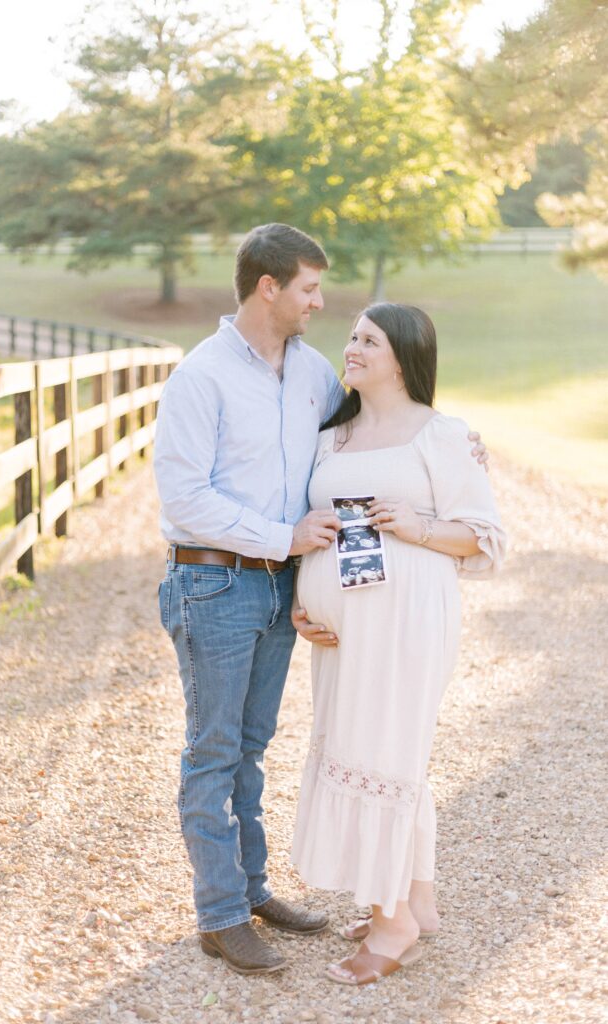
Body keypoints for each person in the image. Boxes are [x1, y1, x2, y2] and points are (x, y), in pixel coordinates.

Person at [153, 224, 488, 976]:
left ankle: (252, 888)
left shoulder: (310, 376)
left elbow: (390, 441)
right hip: (213, 578)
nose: (320, 304)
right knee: (212, 749)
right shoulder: (200, 375)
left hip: (281, 589)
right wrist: (284, 541)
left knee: (250, 747)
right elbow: (183, 496)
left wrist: (306, 583)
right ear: (268, 287)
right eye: (308, 288)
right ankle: (220, 914)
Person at [289, 302, 506, 986]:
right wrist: (302, 600)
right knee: (362, 748)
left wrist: (416, 526)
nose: (350, 349)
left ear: (404, 356)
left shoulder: (441, 436)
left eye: (368, 341)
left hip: (408, 617)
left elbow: (484, 538)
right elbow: (313, 529)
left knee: (385, 750)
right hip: (339, 630)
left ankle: (393, 926)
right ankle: (416, 897)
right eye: (350, 337)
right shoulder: (333, 436)